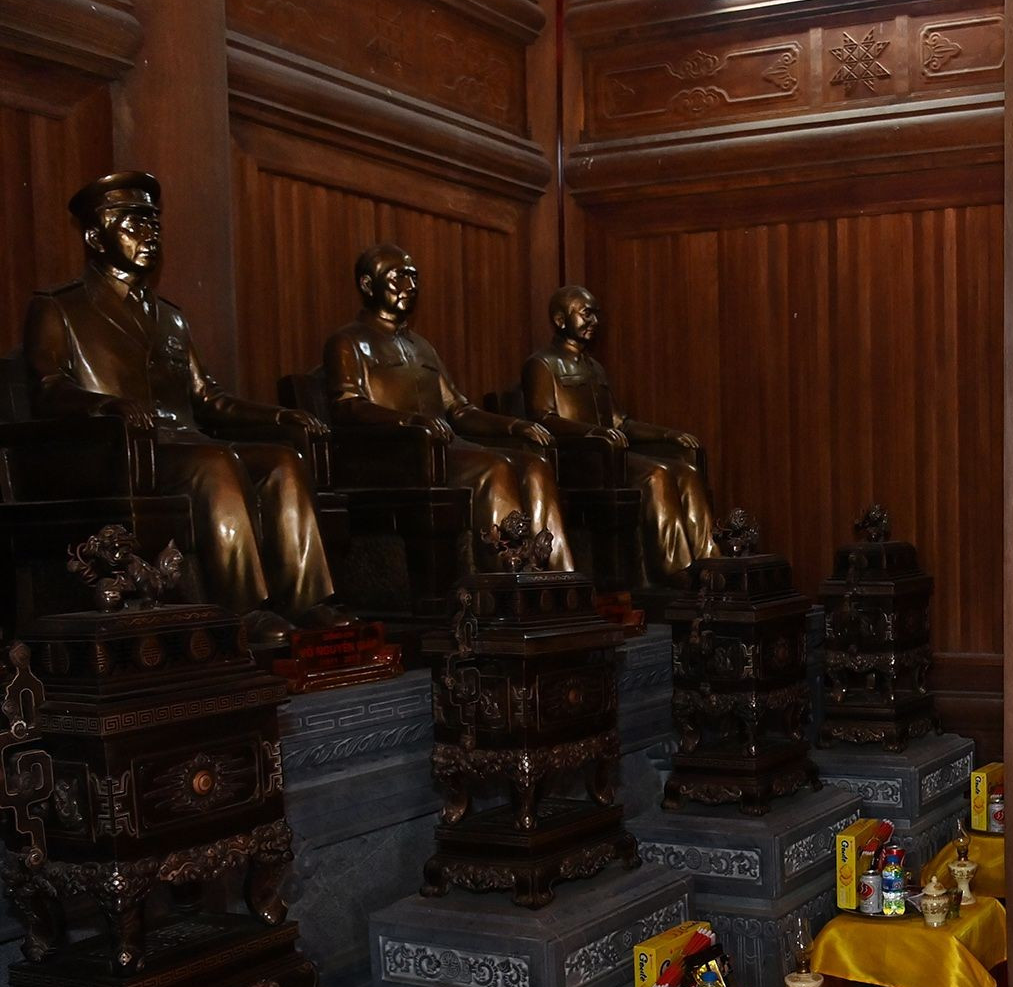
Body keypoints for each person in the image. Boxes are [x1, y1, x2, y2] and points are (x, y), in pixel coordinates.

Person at [23, 171, 348, 645]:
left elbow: (207, 398)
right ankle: (245, 609)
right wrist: (108, 406)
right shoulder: (59, 307)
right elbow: (47, 387)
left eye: (154, 224)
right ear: (94, 237)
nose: (149, 234)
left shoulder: (170, 316)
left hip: (183, 443)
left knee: (282, 461)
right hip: (117, 452)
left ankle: (306, 599)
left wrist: (279, 417)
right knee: (216, 464)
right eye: (133, 224)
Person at [323, 244, 571, 570]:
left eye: (413, 278)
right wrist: (411, 422)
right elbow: (348, 406)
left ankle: (557, 572)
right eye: (398, 277)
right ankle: (509, 576)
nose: (410, 287)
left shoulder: (422, 346)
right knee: (492, 468)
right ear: (368, 285)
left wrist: (515, 425)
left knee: (534, 465)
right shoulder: (348, 341)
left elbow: (459, 410)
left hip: (444, 448)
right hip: (396, 457)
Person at [519, 285, 717, 581]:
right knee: (657, 475)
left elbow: (620, 421)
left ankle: (709, 559)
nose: (594, 321)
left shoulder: (595, 368)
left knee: (686, 471)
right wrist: (597, 433)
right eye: (585, 313)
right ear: (560, 319)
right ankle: (676, 568)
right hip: (579, 461)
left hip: (612, 454)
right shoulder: (542, 364)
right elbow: (542, 418)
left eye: (596, 314)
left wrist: (668, 435)